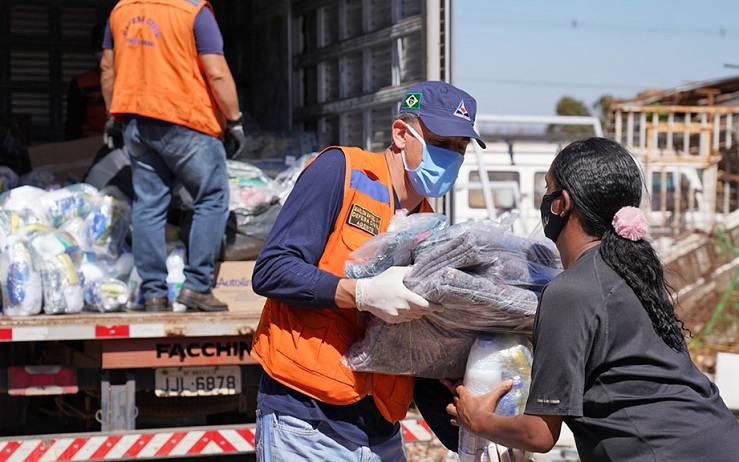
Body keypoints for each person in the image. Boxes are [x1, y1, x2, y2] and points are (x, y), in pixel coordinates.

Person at [444, 137, 739, 461]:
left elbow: (538, 433)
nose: (544, 197)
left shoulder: (570, 291)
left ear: (561, 203)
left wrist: (477, 419)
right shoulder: (630, 274)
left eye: (547, 187)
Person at [250, 81, 486, 461]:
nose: (452, 158)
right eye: (443, 144)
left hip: (380, 433)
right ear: (400, 134)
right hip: (308, 423)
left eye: (460, 149)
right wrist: (360, 294)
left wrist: (477, 433)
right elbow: (273, 270)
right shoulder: (343, 171)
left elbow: (416, 354)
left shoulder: (430, 229)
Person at [100, 0, 245, 313]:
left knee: (149, 205)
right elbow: (217, 73)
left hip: (138, 122)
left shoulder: (121, 11)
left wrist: (114, 115)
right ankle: (197, 287)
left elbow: (107, 69)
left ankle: (153, 293)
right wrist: (233, 120)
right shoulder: (193, 11)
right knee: (211, 198)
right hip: (187, 122)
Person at [65, 23, 107, 141]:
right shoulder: (82, 83)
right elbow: (73, 125)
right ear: (93, 50)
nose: (105, 51)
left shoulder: (131, 82)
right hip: (89, 149)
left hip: (123, 149)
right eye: (101, 47)